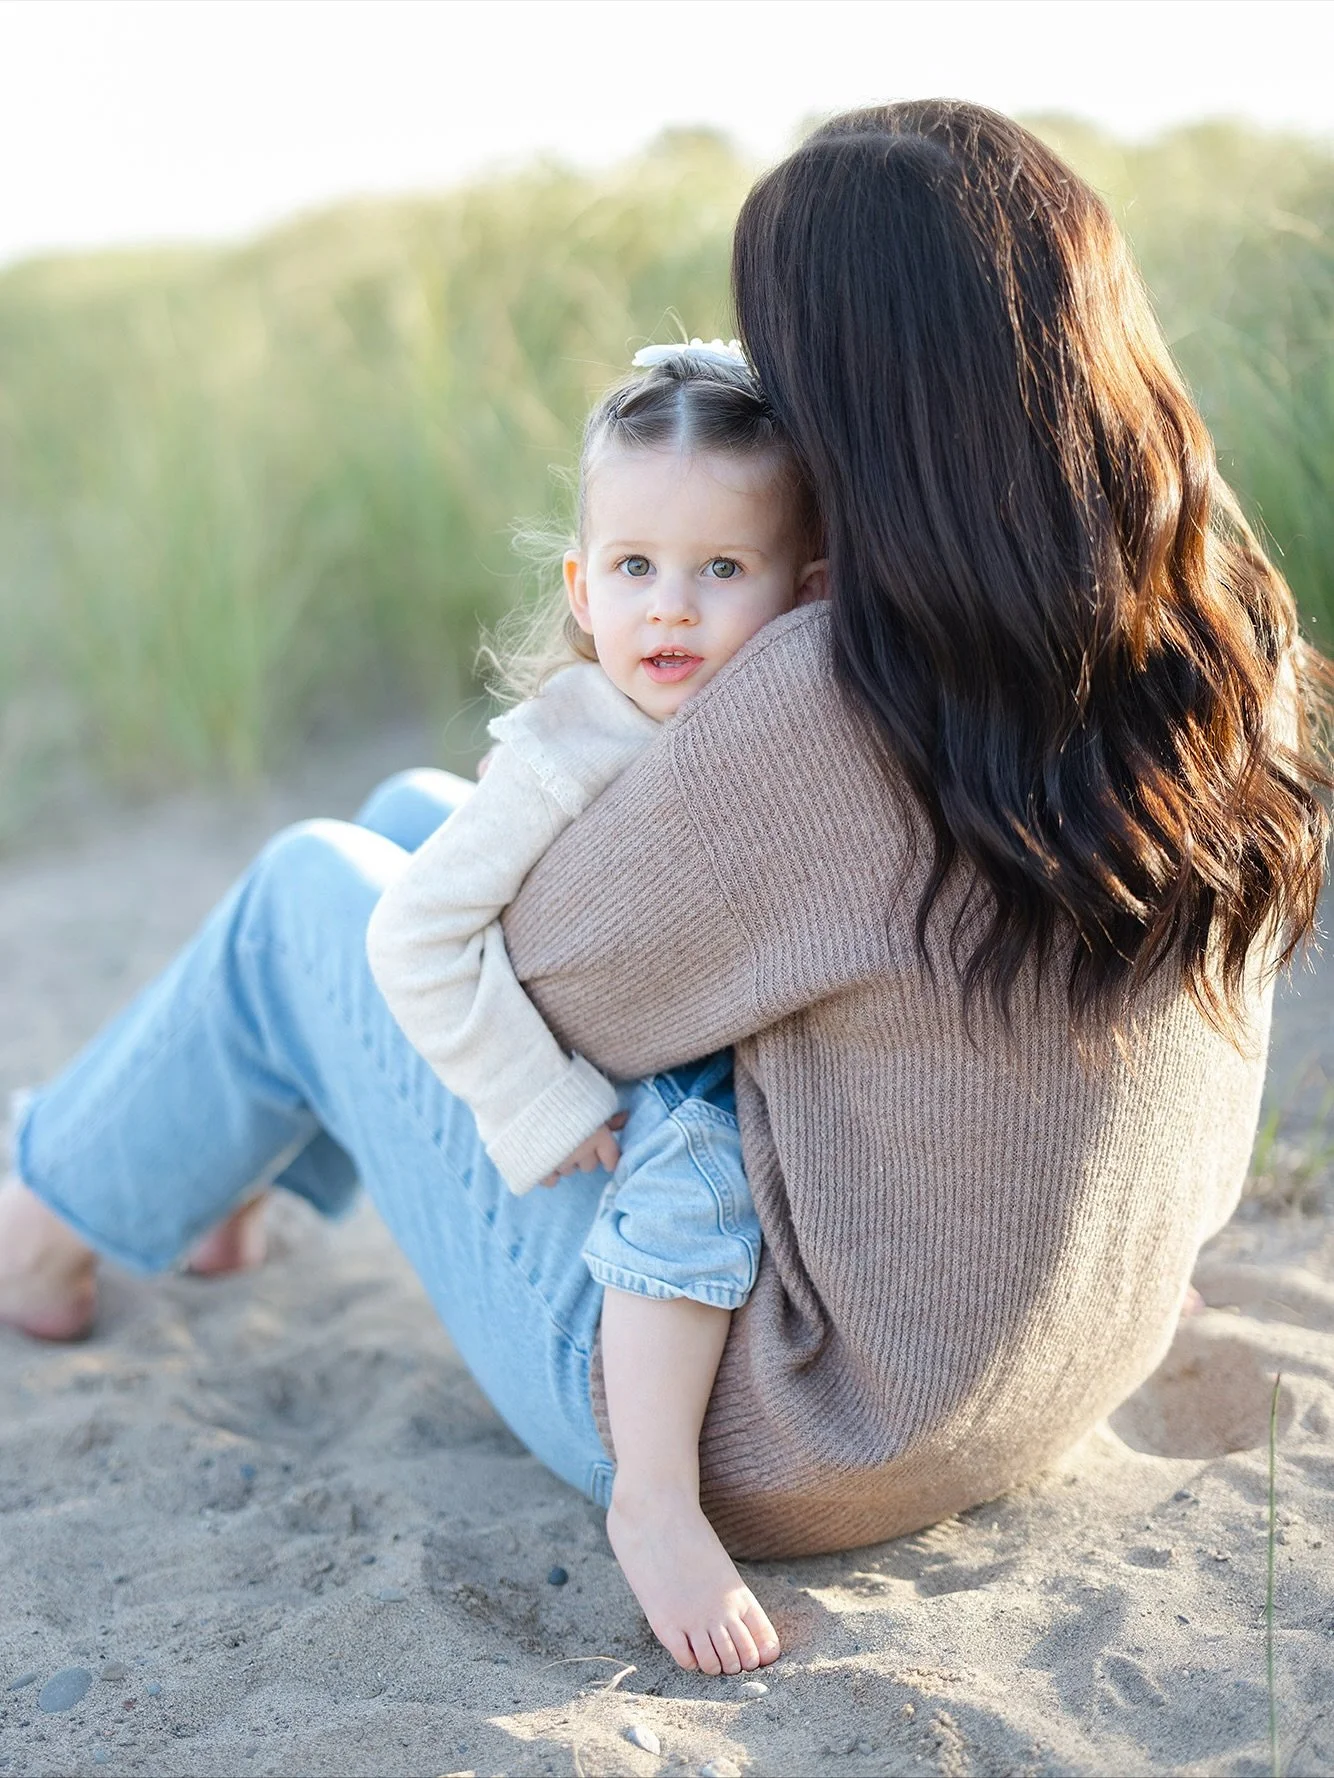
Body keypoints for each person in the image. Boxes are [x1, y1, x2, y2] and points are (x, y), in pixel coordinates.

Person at [1, 99, 1327, 1680]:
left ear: (848, 396)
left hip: (785, 1423)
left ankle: (36, 1231)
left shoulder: (835, 697)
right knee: (410, 814)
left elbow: (555, 982)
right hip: (1047, 1377)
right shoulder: (1220, 638)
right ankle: (214, 1184)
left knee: (314, 890)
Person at [363, 342, 826, 1673]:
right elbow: (415, 927)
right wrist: (535, 1094)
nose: (667, 610)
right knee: (695, 1174)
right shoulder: (567, 745)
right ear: (580, 585)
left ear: (804, 591)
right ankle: (657, 1497)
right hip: (640, 1073)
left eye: (716, 570)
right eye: (632, 568)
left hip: (756, 1021)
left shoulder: (785, 715)